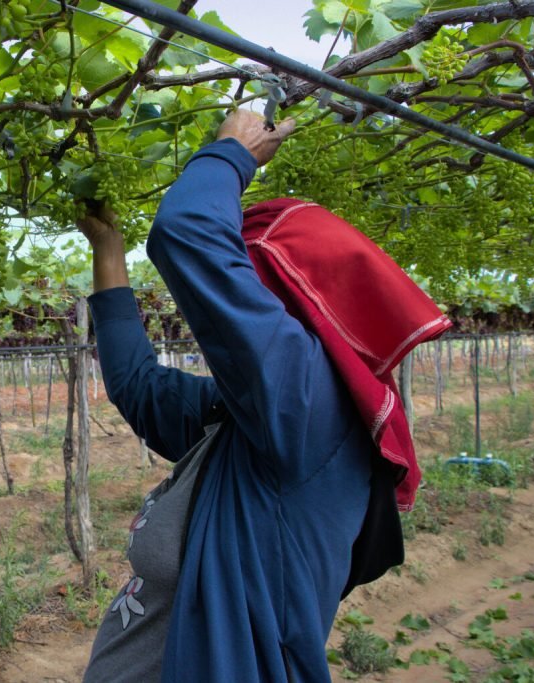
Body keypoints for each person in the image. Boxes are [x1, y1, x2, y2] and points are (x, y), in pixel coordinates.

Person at [78, 109, 451, 682]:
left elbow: (189, 236)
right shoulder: (243, 428)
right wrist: (108, 246)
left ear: (300, 304)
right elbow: (138, 385)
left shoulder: (309, 410)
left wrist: (234, 154)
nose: (235, 308)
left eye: (251, 283)